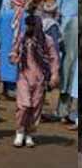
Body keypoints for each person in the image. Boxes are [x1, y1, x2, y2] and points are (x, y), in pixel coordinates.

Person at [11, 14, 60, 148]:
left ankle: (29, 134)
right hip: (24, 76)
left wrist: (54, 75)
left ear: (37, 26)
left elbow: (53, 58)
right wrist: (14, 57)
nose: (28, 28)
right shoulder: (22, 37)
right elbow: (14, 51)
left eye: (31, 26)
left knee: (35, 107)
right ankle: (20, 132)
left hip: (40, 78)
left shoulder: (47, 40)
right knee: (24, 105)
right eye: (27, 25)